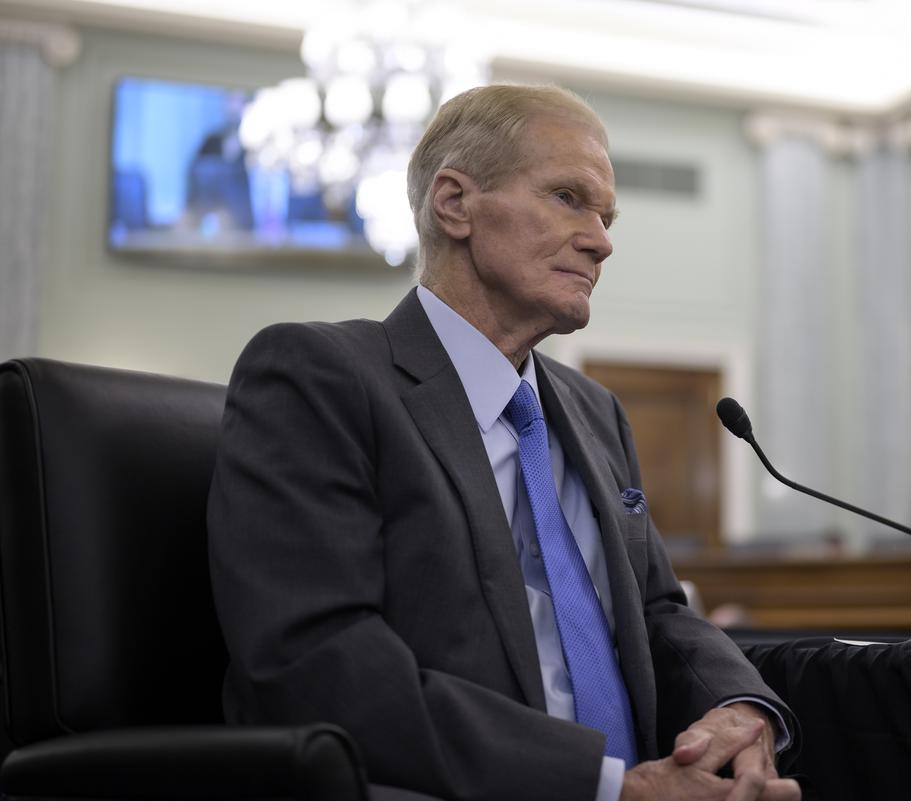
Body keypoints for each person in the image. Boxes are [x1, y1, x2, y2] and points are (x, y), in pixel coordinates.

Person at [208, 84, 801, 801]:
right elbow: (318, 662)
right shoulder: (321, 377)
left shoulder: (594, 410)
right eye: (568, 199)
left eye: (607, 216)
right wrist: (610, 787)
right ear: (455, 203)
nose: (602, 240)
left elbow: (657, 611)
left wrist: (741, 707)